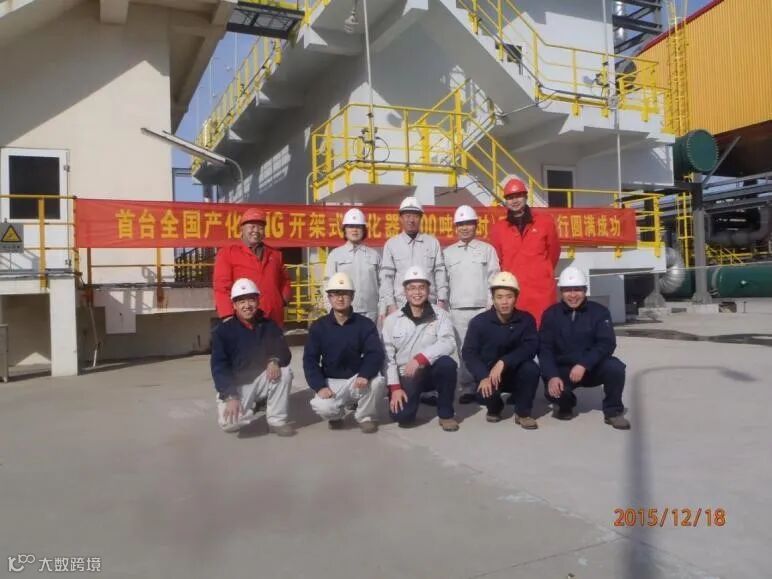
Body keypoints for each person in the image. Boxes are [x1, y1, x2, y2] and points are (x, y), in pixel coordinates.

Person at [539, 266, 630, 430]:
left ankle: (613, 411)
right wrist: (552, 376)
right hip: (564, 370)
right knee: (554, 392)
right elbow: (545, 348)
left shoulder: (599, 312)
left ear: (585, 290)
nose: (573, 295)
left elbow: (606, 343)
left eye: (577, 290)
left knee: (615, 367)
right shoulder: (551, 314)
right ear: (561, 291)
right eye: (568, 290)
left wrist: (584, 364)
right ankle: (566, 405)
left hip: (591, 368)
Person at [210, 278, 295, 436]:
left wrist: (274, 360)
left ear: (258, 301)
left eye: (251, 300)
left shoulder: (269, 326)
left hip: (262, 379)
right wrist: (230, 396)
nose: (247, 305)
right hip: (237, 386)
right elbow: (219, 367)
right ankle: (248, 407)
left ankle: (277, 421)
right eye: (241, 301)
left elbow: (284, 351)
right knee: (229, 425)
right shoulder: (223, 332)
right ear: (234, 305)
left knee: (284, 373)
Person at [303, 272, 385, 433]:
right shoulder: (319, 327)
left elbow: (375, 353)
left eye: (345, 294)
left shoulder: (365, 324)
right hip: (331, 382)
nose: (340, 299)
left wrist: (365, 374)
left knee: (377, 381)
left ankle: (365, 417)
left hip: (357, 379)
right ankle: (336, 416)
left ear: (352, 296)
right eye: (335, 294)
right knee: (321, 406)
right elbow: (310, 360)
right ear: (329, 297)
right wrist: (319, 386)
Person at [382, 266, 460, 432]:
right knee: (403, 418)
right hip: (406, 375)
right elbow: (387, 358)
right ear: (405, 291)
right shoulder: (392, 320)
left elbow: (448, 342)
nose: (417, 292)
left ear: (428, 290)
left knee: (447, 364)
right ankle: (412, 398)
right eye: (411, 288)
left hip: (430, 371)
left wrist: (421, 358)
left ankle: (446, 414)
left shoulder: (441, 315)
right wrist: (395, 388)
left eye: (421, 287)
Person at [462, 272, 541, 429]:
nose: (504, 302)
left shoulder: (526, 320)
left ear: (516, 298)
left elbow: (531, 347)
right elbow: (469, 353)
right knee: (487, 395)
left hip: (515, 373)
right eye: (499, 297)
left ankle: (523, 413)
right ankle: (495, 408)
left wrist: (504, 361)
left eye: (509, 297)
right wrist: (482, 375)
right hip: (489, 376)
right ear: (493, 298)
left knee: (531, 368)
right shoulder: (479, 322)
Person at [443, 204, 500, 404]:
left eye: (468, 223)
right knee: (463, 350)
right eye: (460, 224)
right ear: (455, 227)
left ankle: (487, 385)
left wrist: (491, 305)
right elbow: (444, 283)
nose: (465, 228)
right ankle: (467, 387)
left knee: (485, 349)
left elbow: (494, 277)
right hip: (458, 310)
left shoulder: (487, 250)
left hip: (482, 308)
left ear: (476, 225)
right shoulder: (448, 253)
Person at [489, 177, 560, 326]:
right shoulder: (498, 229)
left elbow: (553, 252)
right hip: (514, 292)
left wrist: (543, 272)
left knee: (544, 329)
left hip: (541, 291)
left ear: (526, 197)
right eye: (510, 197)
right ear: (505, 201)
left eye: (518, 196)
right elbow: (498, 259)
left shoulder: (545, 222)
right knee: (516, 331)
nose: (514, 201)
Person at [213, 208, 291, 328]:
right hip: (244, 320)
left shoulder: (275, 255)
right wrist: (228, 316)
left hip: (273, 318)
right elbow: (221, 287)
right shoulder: (227, 254)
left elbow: (285, 280)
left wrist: (283, 300)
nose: (256, 231)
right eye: (252, 226)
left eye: (260, 227)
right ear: (242, 229)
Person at [379, 196, 448, 316]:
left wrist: (441, 301)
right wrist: (390, 305)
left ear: (421, 218)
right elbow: (386, 278)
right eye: (407, 216)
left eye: (415, 216)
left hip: (429, 306)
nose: (411, 220)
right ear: (400, 218)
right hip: (400, 306)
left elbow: (440, 274)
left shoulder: (432, 243)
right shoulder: (391, 244)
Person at [324, 208, 381, 323]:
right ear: (344, 230)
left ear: (364, 230)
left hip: (371, 313)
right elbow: (327, 284)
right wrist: (331, 310)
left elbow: (383, 285)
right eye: (350, 226)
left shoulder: (374, 255)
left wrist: (383, 309)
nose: (354, 230)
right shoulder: (335, 255)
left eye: (358, 226)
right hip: (344, 313)